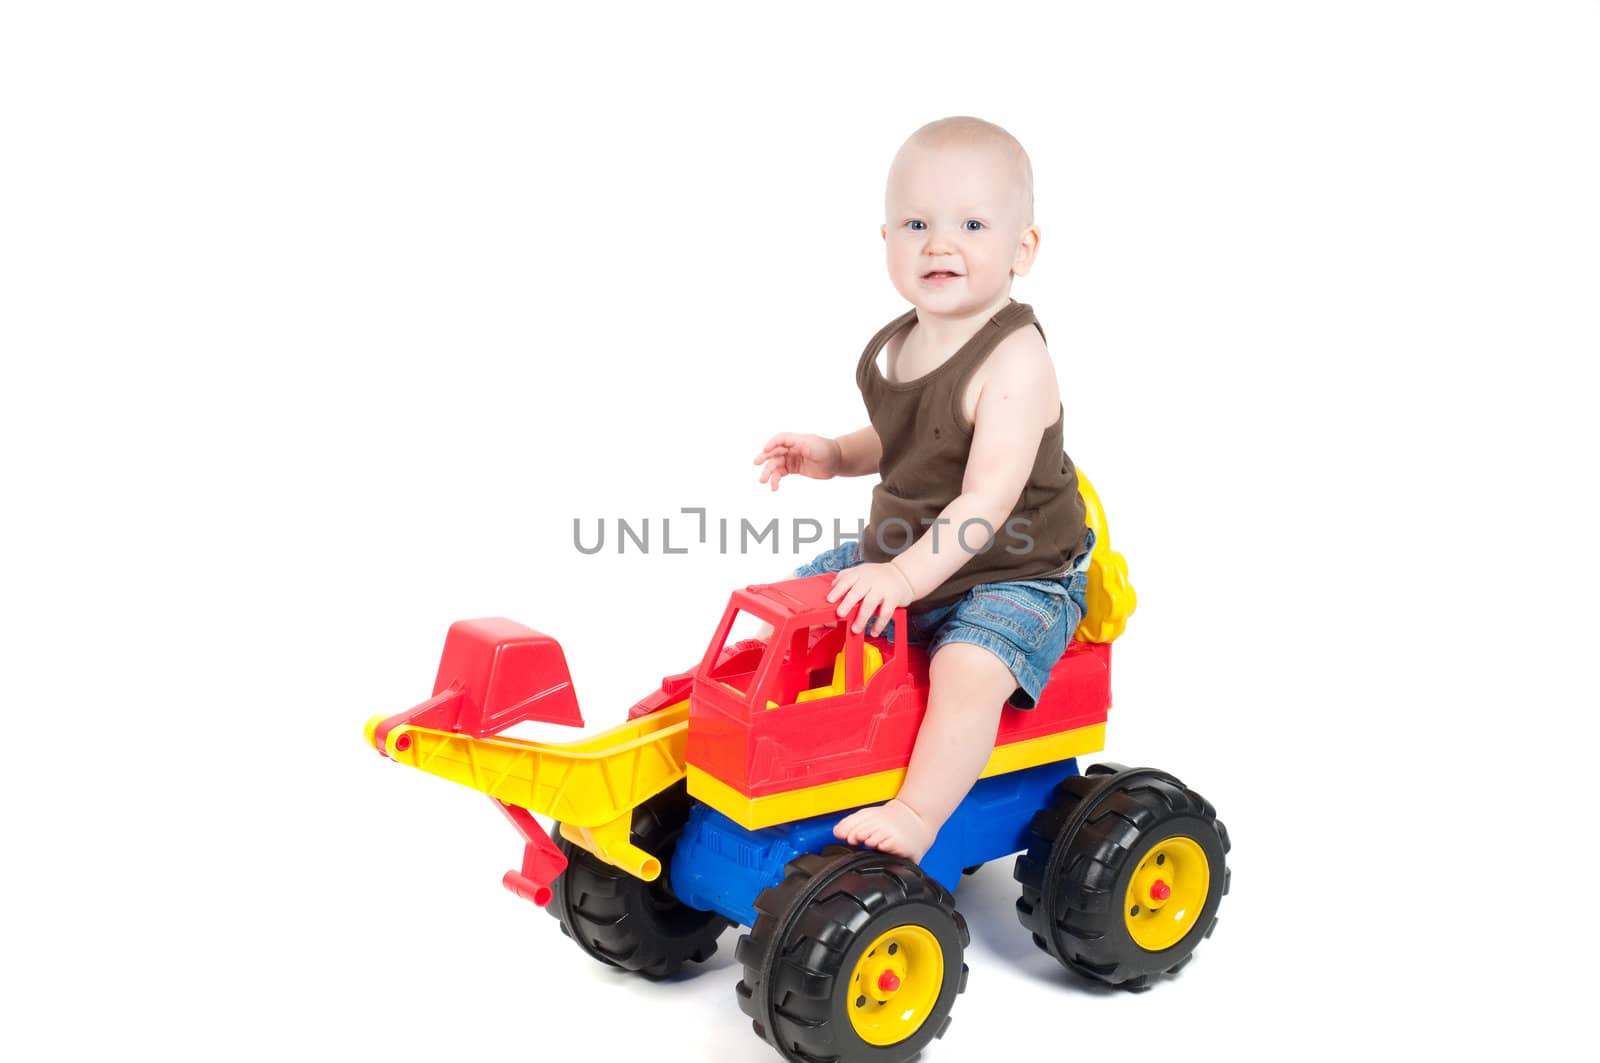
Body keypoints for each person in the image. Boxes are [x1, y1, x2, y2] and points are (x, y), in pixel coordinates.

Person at [751, 116, 1094, 863]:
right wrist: (835, 453)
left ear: (1023, 248)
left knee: (966, 666)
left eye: (972, 223)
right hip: (908, 551)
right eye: (917, 223)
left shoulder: (1016, 359)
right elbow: (912, 440)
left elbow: (984, 502)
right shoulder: (902, 339)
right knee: (796, 609)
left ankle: (917, 810)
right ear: (886, 241)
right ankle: (780, 757)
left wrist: (903, 579)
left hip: (1019, 568)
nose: (940, 243)